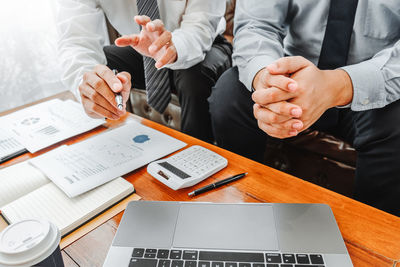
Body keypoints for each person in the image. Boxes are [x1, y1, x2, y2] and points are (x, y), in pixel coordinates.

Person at [209, 0, 400, 216]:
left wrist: (339, 84)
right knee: (230, 94)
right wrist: (268, 79)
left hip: (370, 85)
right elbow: (256, 24)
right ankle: (242, 208)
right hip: (292, 78)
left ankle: (374, 236)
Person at [54, 0, 232, 142]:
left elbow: (201, 26)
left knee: (193, 77)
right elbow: (76, 40)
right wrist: (88, 84)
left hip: (202, 45)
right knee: (100, 69)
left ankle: (200, 157)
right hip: (143, 48)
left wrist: (171, 49)